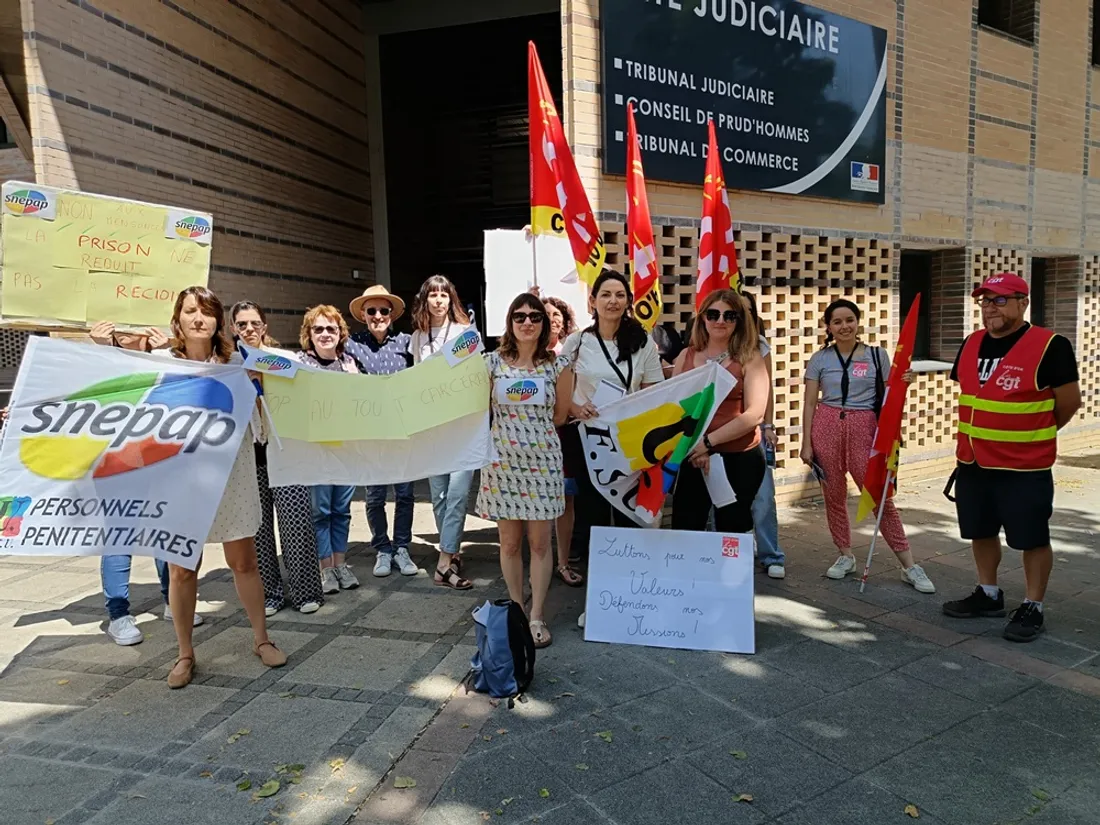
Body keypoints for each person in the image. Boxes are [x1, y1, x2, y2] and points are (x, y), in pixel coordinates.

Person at [157, 286, 286, 688]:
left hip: (232, 474)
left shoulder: (238, 360)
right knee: (181, 569)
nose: (198, 318)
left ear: (218, 321)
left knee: (244, 562)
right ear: (178, 318)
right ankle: (184, 653)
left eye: (207, 312)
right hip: (179, 480)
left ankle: (261, 638)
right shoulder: (159, 364)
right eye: (190, 311)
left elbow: (267, 411)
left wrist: (260, 385)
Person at [942, 273, 1081, 642]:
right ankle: (988, 593)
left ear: (1023, 303)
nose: (991, 307)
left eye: (1000, 300)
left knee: (1032, 537)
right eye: (985, 300)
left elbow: (1068, 404)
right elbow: (974, 397)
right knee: (980, 530)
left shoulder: (1051, 345)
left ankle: (1033, 606)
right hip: (973, 461)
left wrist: (1032, 434)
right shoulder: (971, 342)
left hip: (1023, 465)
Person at [800, 299, 935, 593]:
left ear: (858, 322)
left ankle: (909, 564)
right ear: (829, 327)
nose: (844, 326)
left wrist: (905, 383)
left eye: (849, 320)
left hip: (865, 429)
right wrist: (806, 443)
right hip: (826, 425)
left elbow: (891, 394)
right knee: (833, 495)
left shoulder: (876, 356)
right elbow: (810, 402)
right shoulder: (820, 359)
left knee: (878, 496)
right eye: (837, 322)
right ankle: (845, 555)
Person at [87, 322, 203, 644]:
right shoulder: (100, 363)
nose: (123, 327)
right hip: (115, 465)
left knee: (164, 532)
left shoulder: (166, 360)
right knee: (119, 536)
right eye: (116, 321)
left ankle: (173, 600)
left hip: (161, 462)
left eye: (131, 321)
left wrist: (169, 351)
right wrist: (101, 350)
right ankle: (119, 614)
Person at [561, 269, 664, 626]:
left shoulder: (644, 342)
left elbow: (655, 391)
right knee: (592, 519)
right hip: (590, 441)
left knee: (627, 517)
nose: (612, 301)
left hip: (631, 442)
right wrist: (575, 408)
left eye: (620, 294)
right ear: (592, 301)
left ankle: (630, 594)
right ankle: (600, 598)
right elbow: (561, 392)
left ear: (628, 301)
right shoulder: (576, 343)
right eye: (605, 294)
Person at [477, 293, 573, 647]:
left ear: (545, 323)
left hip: (543, 463)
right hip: (502, 463)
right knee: (510, 543)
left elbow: (561, 416)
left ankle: (537, 615)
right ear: (510, 322)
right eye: (520, 316)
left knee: (539, 544)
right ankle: (517, 610)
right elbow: (480, 410)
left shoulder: (560, 368)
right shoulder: (491, 364)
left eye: (535, 316)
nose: (528, 322)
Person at [230, 302, 324, 616]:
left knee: (296, 522)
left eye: (255, 323)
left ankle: (306, 592)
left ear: (265, 326)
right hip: (246, 456)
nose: (249, 329)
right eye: (241, 324)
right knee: (258, 527)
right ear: (233, 329)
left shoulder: (285, 360)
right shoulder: (227, 365)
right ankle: (269, 594)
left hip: (286, 452)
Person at [670, 290, 768, 534]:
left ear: (740, 320)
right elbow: (673, 408)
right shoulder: (686, 356)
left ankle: (731, 574)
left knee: (732, 532)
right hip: (692, 456)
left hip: (739, 458)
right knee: (686, 526)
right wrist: (697, 446)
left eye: (729, 315)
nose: (720, 321)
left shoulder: (750, 358)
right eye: (713, 314)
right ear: (703, 318)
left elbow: (755, 414)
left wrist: (708, 442)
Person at [344, 285, 419, 579]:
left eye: (383, 311)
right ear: (363, 315)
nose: (378, 316)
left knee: (405, 493)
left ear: (392, 315)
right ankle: (382, 549)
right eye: (371, 311)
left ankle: (402, 547)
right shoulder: (350, 344)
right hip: (370, 433)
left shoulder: (407, 343)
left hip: (401, 431)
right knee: (374, 496)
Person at [409, 275, 475, 590]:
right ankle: (451, 551)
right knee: (439, 495)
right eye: (433, 294)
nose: (438, 300)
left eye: (444, 294)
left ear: (451, 299)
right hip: (431, 426)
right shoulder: (418, 338)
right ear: (426, 300)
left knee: (459, 493)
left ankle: (444, 562)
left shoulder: (465, 333)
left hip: (461, 425)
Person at [296, 305, 363, 595]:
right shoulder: (299, 365)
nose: (325, 334)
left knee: (341, 510)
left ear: (340, 334)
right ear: (309, 334)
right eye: (318, 329)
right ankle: (325, 569)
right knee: (320, 511)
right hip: (316, 452)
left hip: (345, 450)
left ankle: (341, 564)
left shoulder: (350, 364)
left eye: (331, 329)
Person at [742, 292, 786, 579]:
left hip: (755, 430)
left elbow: (766, 391)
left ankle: (770, 555)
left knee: (763, 496)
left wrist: (768, 426)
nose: (741, 316)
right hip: (720, 432)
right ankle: (731, 551)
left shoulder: (760, 346)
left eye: (747, 311)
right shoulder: (712, 345)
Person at [541, 295, 582, 586]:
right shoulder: (520, 355)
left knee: (566, 501)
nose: (551, 318)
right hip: (530, 441)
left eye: (557, 314)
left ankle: (563, 561)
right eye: (545, 314)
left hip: (564, 435)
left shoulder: (574, 354)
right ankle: (540, 557)